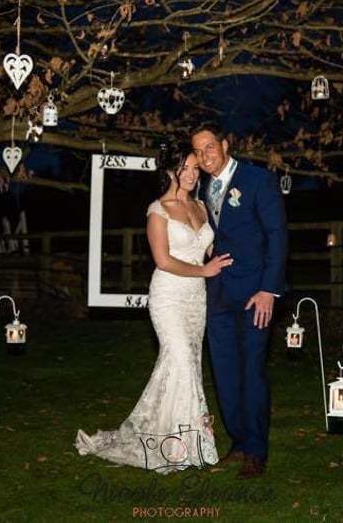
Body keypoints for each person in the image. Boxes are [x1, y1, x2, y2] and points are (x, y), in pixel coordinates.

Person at [75, 142, 232, 473]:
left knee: (187, 366)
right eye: (184, 168)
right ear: (170, 171)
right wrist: (204, 271)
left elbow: (211, 249)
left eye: (195, 168)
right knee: (181, 358)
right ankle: (177, 444)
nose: (191, 174)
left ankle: (177, 439)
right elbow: (163, 260)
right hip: (168, 296)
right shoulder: (158, 210)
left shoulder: (202, 207)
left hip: (196, 299)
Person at [191, 122, 288, 479]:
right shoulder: (201, 188)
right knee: (225, 373)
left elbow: (276, 235)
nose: (204, 156)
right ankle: (239, 442)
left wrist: (269, 290)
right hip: (218, 295)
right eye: (198, 151)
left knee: (252, 371)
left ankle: (256, 452)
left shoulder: (258, 180)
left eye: (209, 147)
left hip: (255, 295)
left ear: (225, 145)